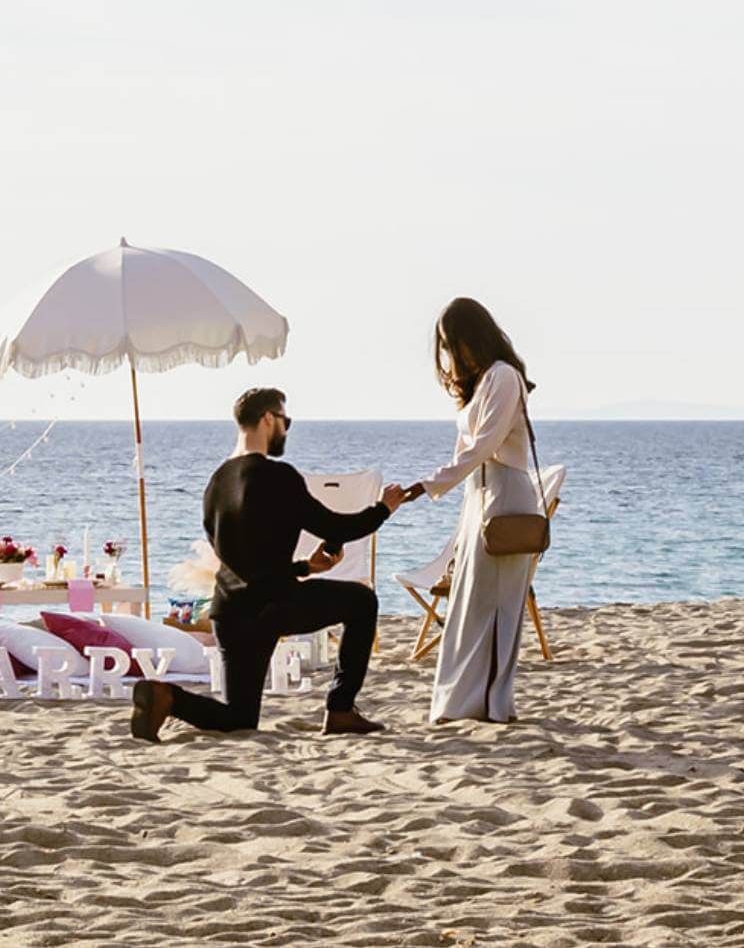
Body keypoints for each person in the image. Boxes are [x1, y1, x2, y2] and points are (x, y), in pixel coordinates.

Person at [131, 387, 406, 742]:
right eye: (285, 421)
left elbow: (241, 559)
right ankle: (340, 710)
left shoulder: (216, 483)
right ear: (267, 419)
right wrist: (383, 508)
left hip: (229, 613)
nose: (286, 430)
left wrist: (305, 567)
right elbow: (337, 527)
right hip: (272, 606)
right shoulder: (278, 476)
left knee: (239, 719)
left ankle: (166, 697)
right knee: (362, 602)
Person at [402, 298, 542, 723]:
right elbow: (471, 450)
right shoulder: (483, 383)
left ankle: (491, 703)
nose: (450, 355)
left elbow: (484, 446)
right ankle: (466, 703)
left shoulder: (503, 377)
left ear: (472, 336)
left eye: (452, 343)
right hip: (479, 500)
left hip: (505, 497)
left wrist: (429, 484)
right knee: (472, 604)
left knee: (494, 606)